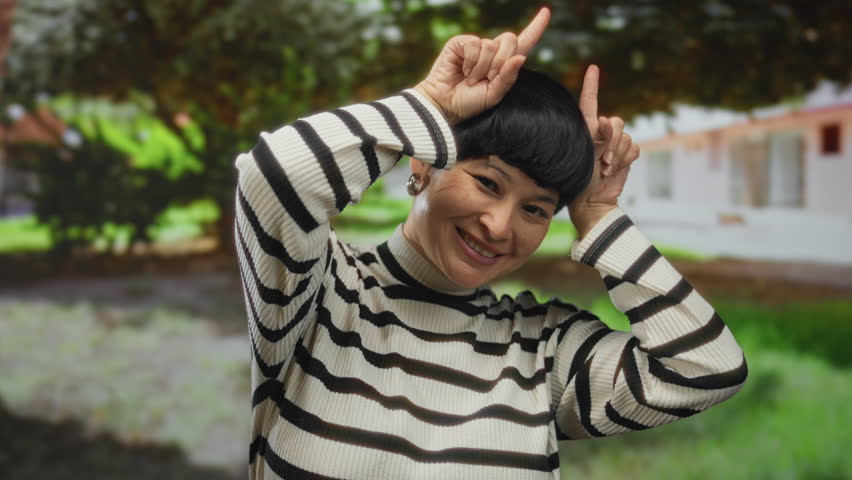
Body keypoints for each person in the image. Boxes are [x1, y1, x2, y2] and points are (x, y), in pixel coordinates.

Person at [234, 7, 747, 479]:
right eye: (488, 182)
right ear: (421, 162)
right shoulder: (317, 293)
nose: (500, 227)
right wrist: (430, 105)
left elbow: (706, 370)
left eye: (535, 209)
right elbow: (276, 173)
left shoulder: (542, 349)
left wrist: (597, 214)